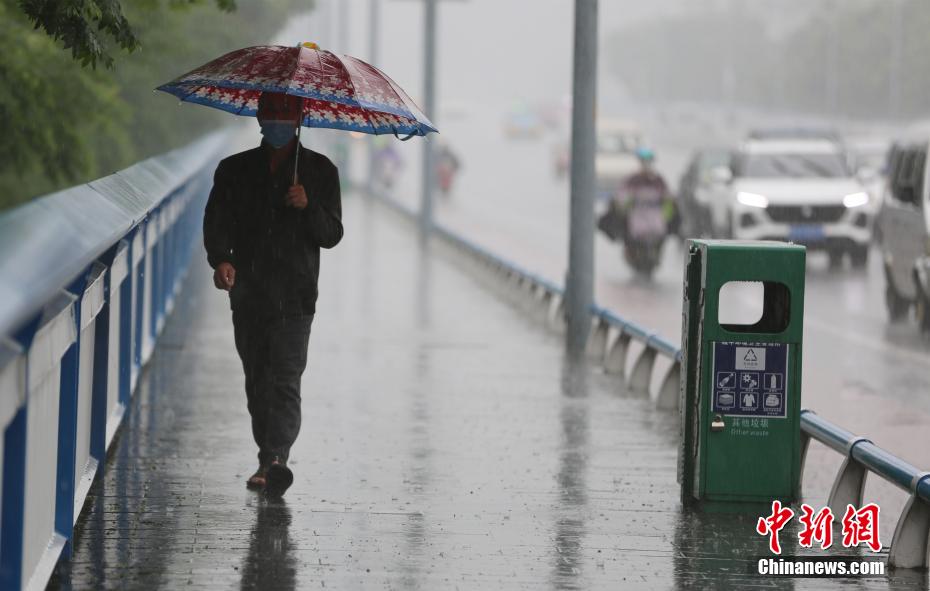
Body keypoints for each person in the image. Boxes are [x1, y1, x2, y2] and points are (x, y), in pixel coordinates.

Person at [203, 92, 344, 497]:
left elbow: (331, 234)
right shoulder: (234, 170)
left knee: (285, 378)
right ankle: (269, 454)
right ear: (260, 119)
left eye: (285, 116)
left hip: (296, 296)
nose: (277, 123)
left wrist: (308, 204)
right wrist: (221, 260)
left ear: (299, 120)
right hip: (249, 292)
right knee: (258, 379)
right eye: (271, 115)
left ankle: (274, 460)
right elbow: (217, 220)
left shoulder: (320, 170)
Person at [607, 147, 679, 241]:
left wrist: (666, 214)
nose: (646, 165)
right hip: (637, 225)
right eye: (644, 162)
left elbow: (668, 200)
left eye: (648, 162)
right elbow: (622, 200)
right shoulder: (633, 181)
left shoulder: (658, 181)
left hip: (656, 225)